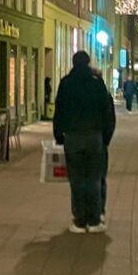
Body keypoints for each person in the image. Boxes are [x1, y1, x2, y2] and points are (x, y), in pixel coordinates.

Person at [54, 51, 115, 233]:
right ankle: (95, 220)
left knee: (77, 179)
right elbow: (106, 112)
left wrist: (59, 136)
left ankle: (79, 220)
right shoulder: (97, 84)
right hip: (94, 138)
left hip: (73, 137)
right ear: (88, 63)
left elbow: (59, 111)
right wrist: (105, 138)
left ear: (73, 63)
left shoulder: (66, 83)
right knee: (95, 179)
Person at [92, 67, 116, 224]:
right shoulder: (104, 93)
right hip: (99, 141)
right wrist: (106, 139)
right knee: (99, 177)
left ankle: (82, 215)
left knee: (81, 178)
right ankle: (99, 211)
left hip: (80, 138)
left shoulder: (79, 91)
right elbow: (110, 120)